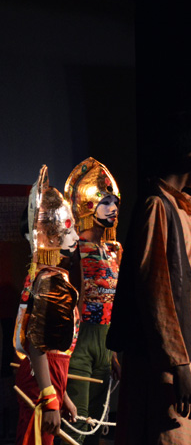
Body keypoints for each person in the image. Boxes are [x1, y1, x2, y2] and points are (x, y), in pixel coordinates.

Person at [106, 111, 191, 445]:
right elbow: (156, 293)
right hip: (169, 369)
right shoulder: (158, 207)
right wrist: (180, 368)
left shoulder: (180, 208)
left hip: (186, 361)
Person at [13, 165, 80, 444]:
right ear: (52, 235)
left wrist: (61, 394)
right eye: (70, 230)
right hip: (43, 375)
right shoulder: (50, 280)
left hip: (49, 377)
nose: (76, 237)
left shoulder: (45, 276)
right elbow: (39, 345)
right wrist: (50, 396)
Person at [63, 157, 122, 444]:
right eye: (105, 202)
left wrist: (113, 353)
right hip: (80, 341)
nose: (112, 209)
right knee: (78, 423)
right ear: (89, 205)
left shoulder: (115, 250)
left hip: (107, 340)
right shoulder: (73, 251)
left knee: (98, 422)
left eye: (115, 202)